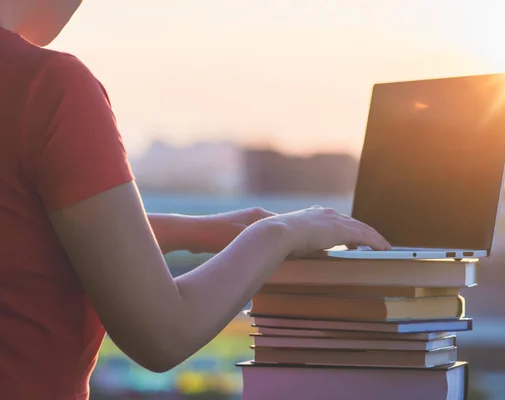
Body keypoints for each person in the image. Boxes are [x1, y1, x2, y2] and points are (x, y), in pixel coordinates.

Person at [0, 1, 392, 398]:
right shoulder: (48, 85)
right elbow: (162, 333)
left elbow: (17, 231)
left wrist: (187, 231)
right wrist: (282, 231)